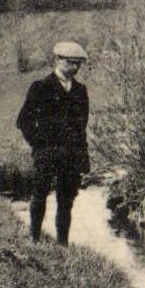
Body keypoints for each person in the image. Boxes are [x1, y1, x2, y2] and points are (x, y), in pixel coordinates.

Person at [17, 41, 90, 244]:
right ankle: (34, 238)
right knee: (40, 194)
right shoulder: (41, 87)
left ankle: (63, 244)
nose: (75, 68)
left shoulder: (80, 91)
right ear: (58, 60)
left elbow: (81, 128)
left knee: (66, 201)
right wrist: (39, 145)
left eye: (78, 64)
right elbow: (23, 121)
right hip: (47, 154)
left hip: (71, 156)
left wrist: (84, 159)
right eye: (71, 62)